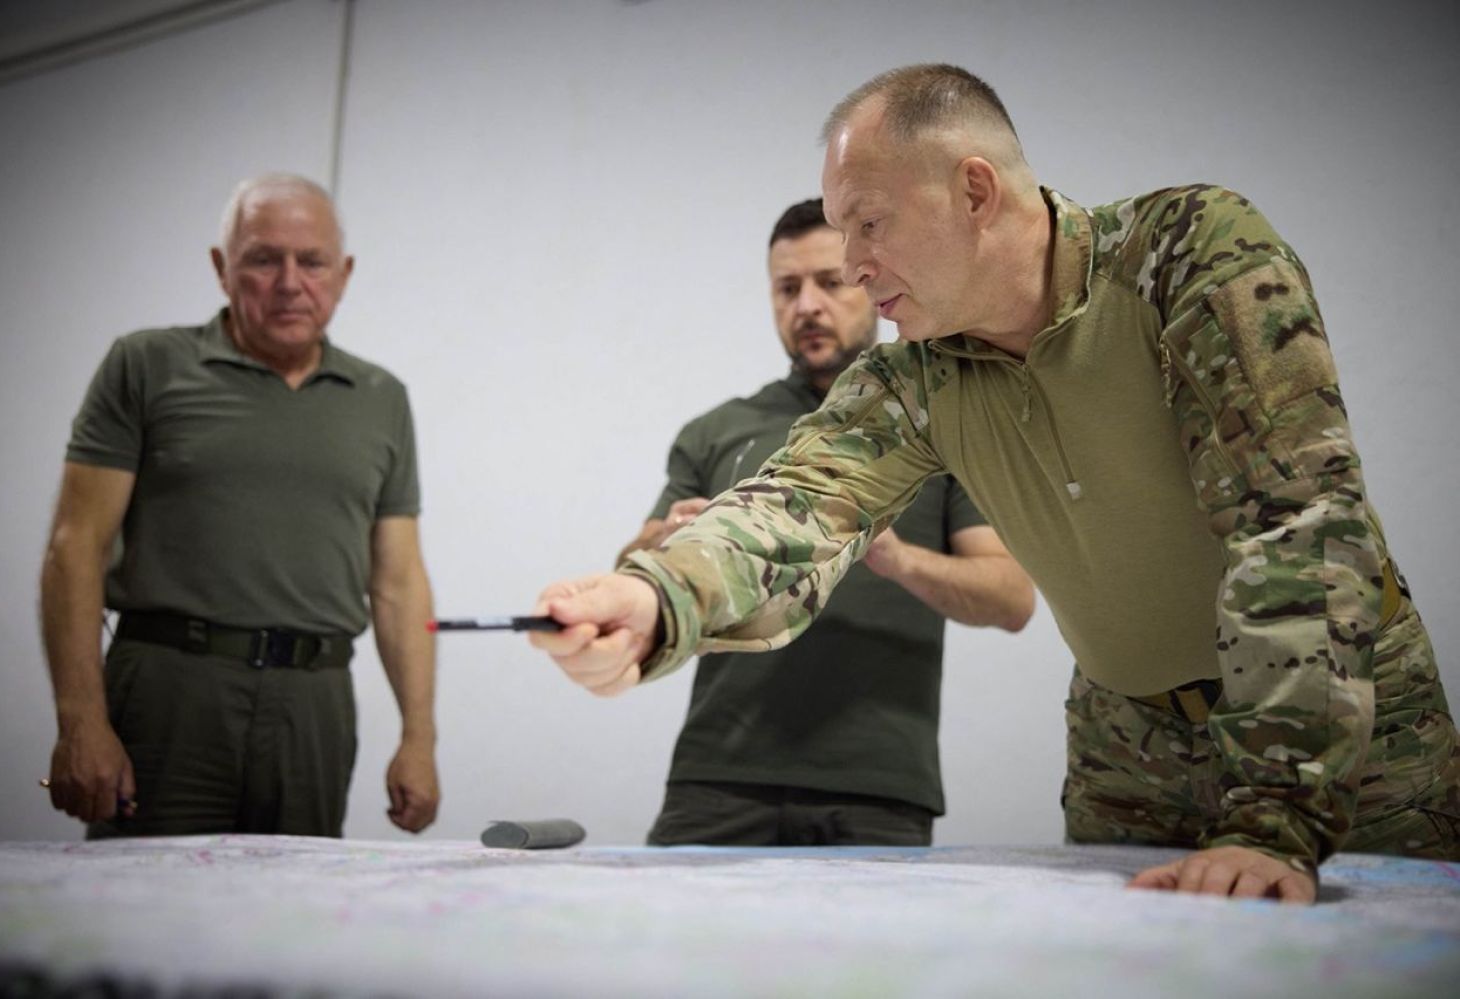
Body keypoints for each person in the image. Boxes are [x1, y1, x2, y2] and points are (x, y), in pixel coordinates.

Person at [531, 65, 1459, 901]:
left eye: (869, 223)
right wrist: (654, 596)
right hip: (1126, 745)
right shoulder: (916, 375)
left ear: (973, 190)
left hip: (1345, 728)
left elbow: (1298, 520)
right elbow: (793, 509)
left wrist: (1276, 816)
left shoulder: (1188, 255)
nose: (851, 264)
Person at [620, 198, 1034, 846]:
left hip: (877, 782)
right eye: (787, 288)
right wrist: (663, 541)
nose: (806, 305)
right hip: (718, 774)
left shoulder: (942, 423)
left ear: (868, 282)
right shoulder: (715, 431)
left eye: (829, 282)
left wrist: (898, 558)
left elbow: (1012, 599)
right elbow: (633, 570)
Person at [39, 173, 440, 838]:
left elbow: (399, 581)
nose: (289, 282)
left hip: (315, 702)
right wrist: (81, 720)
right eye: (263, 258)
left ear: (342, 274)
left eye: (311, 261)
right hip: (172, 690)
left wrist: (419, 737)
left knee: (295, 922)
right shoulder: (147, 364)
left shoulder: (381, 397)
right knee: (149, 913)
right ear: (222, 268)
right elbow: (73, 546)